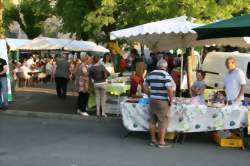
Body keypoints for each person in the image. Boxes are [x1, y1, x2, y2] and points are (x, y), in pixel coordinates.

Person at [144, 59, 174, 148]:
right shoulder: (166, 75)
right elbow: (169, 89)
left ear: (158, 65)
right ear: (165, 67)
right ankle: (161, 142)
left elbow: (144, 85)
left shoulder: (151, 73)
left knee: (152, 121)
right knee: (162, 121)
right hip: (162, 101)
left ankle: (153, 140)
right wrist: (171, 99)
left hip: (152, 100)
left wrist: (149, 94)